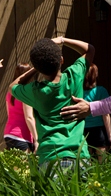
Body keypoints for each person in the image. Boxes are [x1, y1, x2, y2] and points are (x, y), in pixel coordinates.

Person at [10, 36, 94, 169]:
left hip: (50, 156)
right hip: (79, 155)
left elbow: (13, 86)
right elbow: (90, 50)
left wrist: (35, 68)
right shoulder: (74, 75)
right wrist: (63, 40)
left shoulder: (37, 91)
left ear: (39, 68)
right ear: (61, 60)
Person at [3, 65, 38, 152]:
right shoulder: (25, 93)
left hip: (9, 133)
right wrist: (36, 139)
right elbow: (29, 117)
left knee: (14, 165)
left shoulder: (9, 94)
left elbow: (9, 114)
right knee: (25, 165)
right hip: (21, 136)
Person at [81, 64, 111, 155]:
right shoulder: (101, 91)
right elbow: (106, 115)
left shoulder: (79, 92)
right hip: (99, 130)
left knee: (87, 161)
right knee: (102, 162)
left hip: (84, 130)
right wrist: (110, 136)